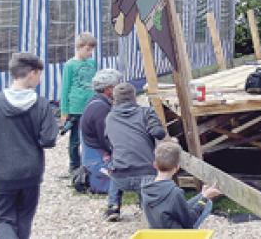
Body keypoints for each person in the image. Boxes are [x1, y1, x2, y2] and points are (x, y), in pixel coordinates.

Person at [0, 53, 58, 239]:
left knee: (1, 219)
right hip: (30, 173)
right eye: (39, 74)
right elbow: (49, 139)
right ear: (32, 73)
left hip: (2, 173)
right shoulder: (41, 104)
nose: (39, 79)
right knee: (24, 218)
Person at [103, 82, 167, 222]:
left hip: (120, 177)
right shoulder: (146, 112)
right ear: (134, 97)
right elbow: (159, 133)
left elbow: (108, 142)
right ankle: (146, 207)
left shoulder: (109, 118)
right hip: (146, 173)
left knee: (115, 164)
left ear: (115, 100)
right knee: (145, 186)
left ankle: (113, 206)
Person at [141, 142, 222, 229]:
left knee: (203, 199)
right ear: (177, 167)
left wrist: (202, 195)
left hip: (158, 231)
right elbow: (189, 222)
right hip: (176, 235)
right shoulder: (174, 192)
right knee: (207, 203)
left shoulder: (145, 186)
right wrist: (205, 198)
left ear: (155, 165)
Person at [80, 68, 124, 194]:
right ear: (108, 89)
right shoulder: (100, 108)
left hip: (94, 152)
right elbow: (106, 139)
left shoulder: (95, 101)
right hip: (97, 158)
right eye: (117, 86)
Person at [60, 32, 98, 174]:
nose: (90, 53)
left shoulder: (92, 63)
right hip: (75, 107)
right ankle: (74, 166)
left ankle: (88, 163)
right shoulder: (70, 65)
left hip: (91, 105)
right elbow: (65, 88)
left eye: (92, 50)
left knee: (90, 136)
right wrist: (64, 111)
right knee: (75, 138)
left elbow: (96, 82)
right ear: (79, 47)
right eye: (88, 50)